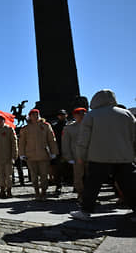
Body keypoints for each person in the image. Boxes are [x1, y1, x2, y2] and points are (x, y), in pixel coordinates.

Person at [70, 90, 136, 221]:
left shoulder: (92, 115)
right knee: (130, 185)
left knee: (92, 185)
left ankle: (85, 211)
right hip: (124, 156)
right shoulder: (127, 114)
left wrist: (80, 157)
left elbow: (83, 140)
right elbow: (134, 137)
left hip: (99, 156)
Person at [19, 109, 59, 201]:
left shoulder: (45, 126)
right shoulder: (25, 128)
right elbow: (22, 143)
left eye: (36, 114)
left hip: (43, 155)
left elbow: (51, 140)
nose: (35, 116)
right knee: (34, 175)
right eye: (33, 114)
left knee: (44, 175)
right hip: (30, 156)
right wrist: (21, 154)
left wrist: (54, 152)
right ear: (30, 116)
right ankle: (36, 192)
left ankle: (43, 192)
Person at [0, 115, 18, 198]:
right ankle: (2, 190)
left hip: (8, 156)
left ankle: (9, 191)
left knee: (8, 175)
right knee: (0, 175)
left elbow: (14, 143)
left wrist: (14, 156)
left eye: (1, 120)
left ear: (4, 121)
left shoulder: (9, 129)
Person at [61, 107, 87, 202]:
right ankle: (81, 194)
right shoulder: (69, 128)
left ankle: (91, 195)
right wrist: (68, 157)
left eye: (84, 114)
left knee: (91, 176)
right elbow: (65, 143)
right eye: (79, 114)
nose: (82, 116)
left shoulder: (91, 125)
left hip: (91, 155)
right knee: (78, 177)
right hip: (77, 156)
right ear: (75, 115)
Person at [51, 109, 69, 194]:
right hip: (59, 149)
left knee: (72, 168)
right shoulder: (55, 126)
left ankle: (76, 186)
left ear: (66, 115)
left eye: (63, 115)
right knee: (58, 169)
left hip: (70, 149)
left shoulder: (71, 125)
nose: (61, 116)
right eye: (60, 115)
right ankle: (58, 186)